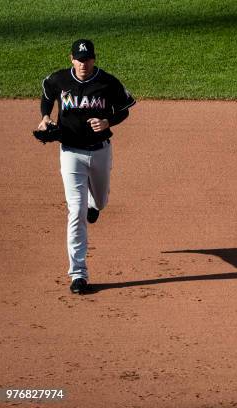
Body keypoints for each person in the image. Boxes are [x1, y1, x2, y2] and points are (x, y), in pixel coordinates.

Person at [38, 39, 135, 294]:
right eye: (79, 59)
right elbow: (47, 95)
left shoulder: (107, 82)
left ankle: (95, 204)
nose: (84, 63)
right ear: (71, 58)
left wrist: (108, 122)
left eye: (88, 59)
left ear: (94, 58)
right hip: (70, 153)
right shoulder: (58, 80)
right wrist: (46, 117)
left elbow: (125, 108)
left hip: (101, 151)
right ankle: (78, 274)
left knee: (100, 202)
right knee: (76, 211)